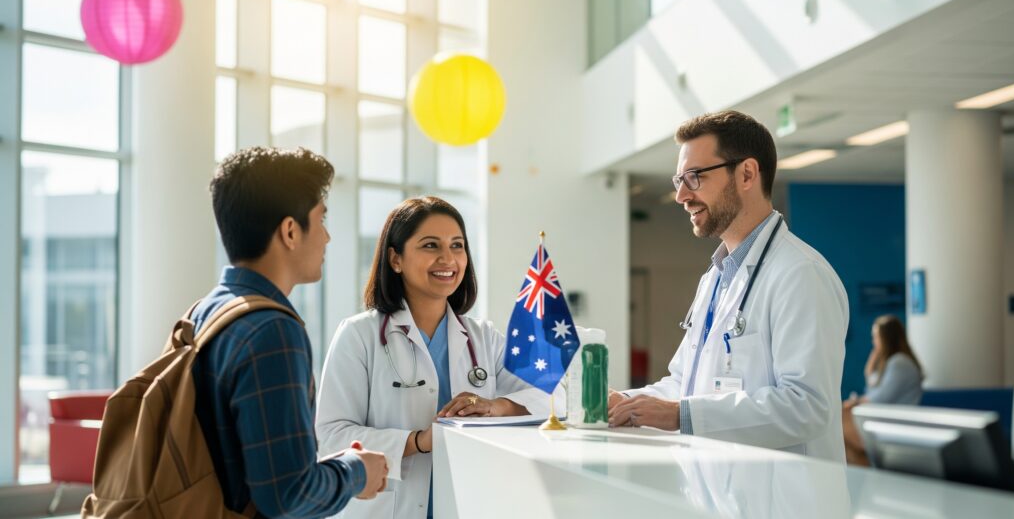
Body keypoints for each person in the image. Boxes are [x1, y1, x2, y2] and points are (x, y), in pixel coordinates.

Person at [607, 110, 850, 462]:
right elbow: (685, 384)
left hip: (789, 491)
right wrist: (624, 402)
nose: (681, 196)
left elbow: (807, 406)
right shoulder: (716, 278)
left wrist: (680, 415)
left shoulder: (800, 274)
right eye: (679, 180)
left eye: (694, 177)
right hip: (721, 484)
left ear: (747, 173)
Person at [316, 196, 560, 519]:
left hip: (466, 506)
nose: (448, 258)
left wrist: (495, 406)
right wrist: (417, 442)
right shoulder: (359, 335)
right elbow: (331, 436)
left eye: (457, 245)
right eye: (431, 245)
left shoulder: (482, 337)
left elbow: (554, 395)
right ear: (396, 259)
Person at [192, 147, 389, 517]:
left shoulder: (207, 311)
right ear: (290, 231)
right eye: (321, 219)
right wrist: (357, 472)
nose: (327, 237)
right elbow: (287, 495)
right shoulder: (273, 332)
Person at [843, 314, 924, 464]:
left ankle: (864, 468)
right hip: (887, 419)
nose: (873, 341)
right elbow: (872, 388)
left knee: (841, 418)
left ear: (887, 338)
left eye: (876, 337)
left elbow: (879, 398)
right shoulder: (893, 362)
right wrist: (871, 365)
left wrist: (855, 402)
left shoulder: (900, 363)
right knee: (842, 421)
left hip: (897, 422)